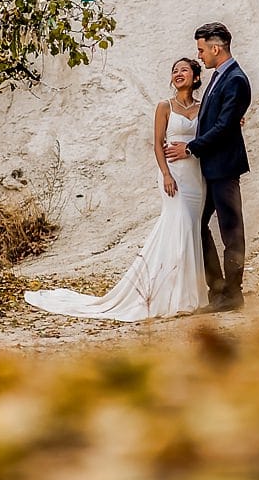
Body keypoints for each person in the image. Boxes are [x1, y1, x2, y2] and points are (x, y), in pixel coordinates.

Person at [24, 58, 209, 321]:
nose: (178, 74)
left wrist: (237, 120)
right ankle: (171, 296)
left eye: (184, 70)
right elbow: (157, 145)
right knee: (178, 224)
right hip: (174, 175)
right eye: (174, 71)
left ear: (196, 77)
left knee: (191, 228)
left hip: (195, 174)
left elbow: (215, 128)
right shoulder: (164, 107)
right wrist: (166, 174)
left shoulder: (204, 107)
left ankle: (189, 293)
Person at [165, 22, 251, 312]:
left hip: (224, 167)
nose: (199, 55)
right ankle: (217, 289)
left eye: (201, 50)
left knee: (231, 230)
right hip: (211, 168)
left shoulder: (235, 79)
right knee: (199, 224)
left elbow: (224, 126)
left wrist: (190, 147)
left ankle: (232, 294)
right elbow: (213, 116)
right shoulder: (219, 77)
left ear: (215, 48)